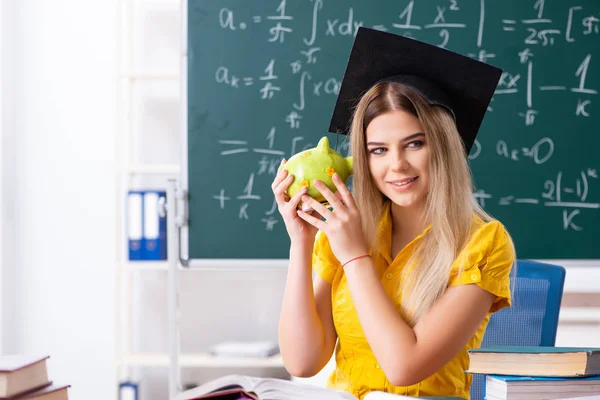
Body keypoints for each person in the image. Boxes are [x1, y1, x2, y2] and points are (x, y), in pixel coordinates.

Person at [272, 27, 516, 400]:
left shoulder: (483, 242)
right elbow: (303, 363)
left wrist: (355, 257)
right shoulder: (346, 231)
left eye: (414, 144)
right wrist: (301, 243)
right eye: (378, 150)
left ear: (444, 146)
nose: (397, 166)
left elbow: (405, 368)